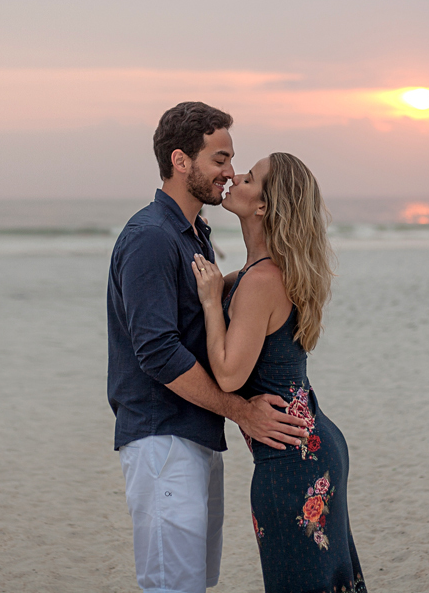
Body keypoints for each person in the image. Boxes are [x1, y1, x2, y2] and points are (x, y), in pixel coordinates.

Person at [108, 102, 310, 593]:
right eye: (220, 159)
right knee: (173, 586)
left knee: (195, 582)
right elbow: (157, 352)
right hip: (162, 440)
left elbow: (217, 302)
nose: (230, 172)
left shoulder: (194, 233)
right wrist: (242, 412)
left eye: (232, 160)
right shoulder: (151, 238)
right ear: (181, 161)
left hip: (196, 435)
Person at [191, 153, 368, 593]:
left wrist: (211, 304)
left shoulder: (262, 280)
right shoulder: (259, 272)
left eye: (249, 178)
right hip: (309, 445)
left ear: (264, 206)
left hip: (291, 460)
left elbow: (229, 376)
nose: (235, 177)